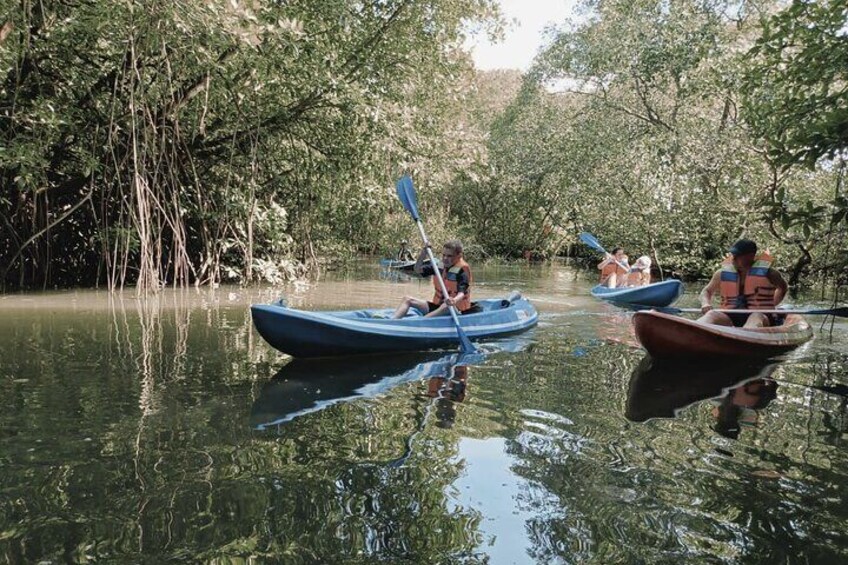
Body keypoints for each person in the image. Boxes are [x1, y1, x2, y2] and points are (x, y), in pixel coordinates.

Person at [698, 239, 788, 328]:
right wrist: (705, 303)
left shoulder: (770, 274)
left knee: (756, 316)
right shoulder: (721, 273)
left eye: (738, 255)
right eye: (733, 254)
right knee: (712, 314)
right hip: (731, 316)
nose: (734, 258)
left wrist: (772, 304)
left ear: (751, 256)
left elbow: (783, 288)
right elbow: (707, 291)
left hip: (761, 316)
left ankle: (747, 334)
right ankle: (694, 330)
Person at [392, 240, 477, 318]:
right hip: (438, 307)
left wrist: (453, 300)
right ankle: (392, 322)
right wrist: (423, 253)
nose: (445, 258)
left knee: (446, 305)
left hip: (456, 310)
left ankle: (420, 322)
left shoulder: (462, 271)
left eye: (449, 256)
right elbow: (417, 269)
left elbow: (462, 293)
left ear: (459, 256)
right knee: (407, 299)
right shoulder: (439, 266)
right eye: (444, 255)